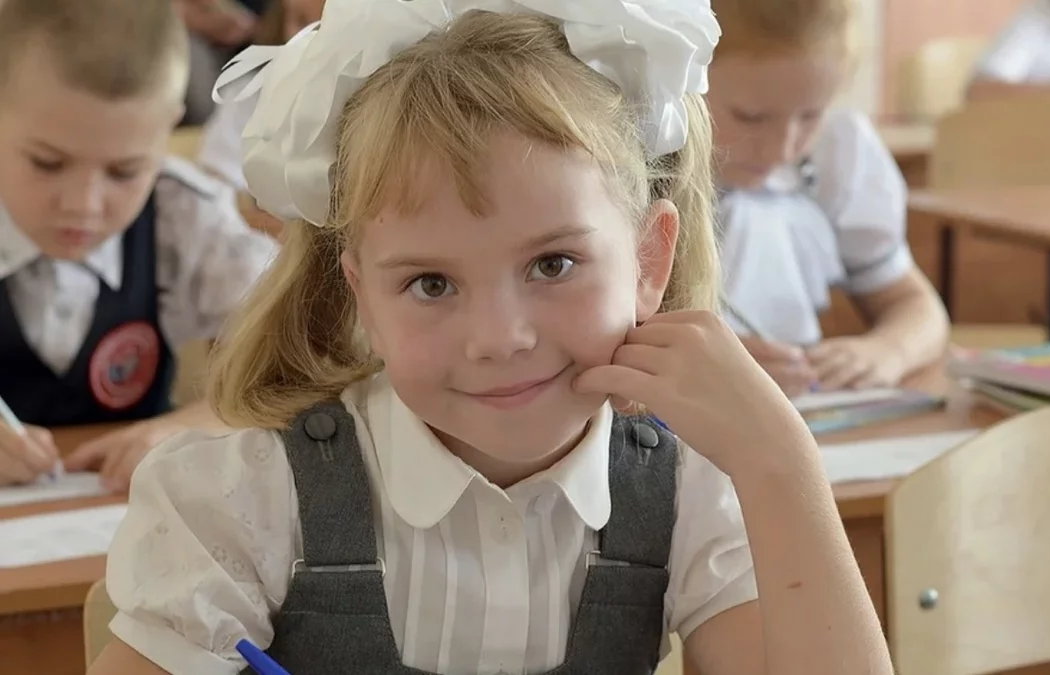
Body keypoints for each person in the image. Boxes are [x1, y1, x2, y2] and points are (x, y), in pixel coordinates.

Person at [88, 1, 892, 674]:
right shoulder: (245, 500)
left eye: (553, 263)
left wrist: (781, 462)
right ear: (363, 294)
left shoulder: (694, 492)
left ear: (649, 259)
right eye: (431, 283)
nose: (499, 338)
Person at [0, 0, 277, 490]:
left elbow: (306, 360)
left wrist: (195, 425)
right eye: (47, 163)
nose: (83, 205)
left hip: (128, 512)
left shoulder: (179, 215)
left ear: (165, 128)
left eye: (124, 171)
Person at [707, 0, 949, 398]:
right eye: (751, 117)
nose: (782, 149)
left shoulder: (835, 158)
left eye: (810, 117)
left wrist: (887, 350)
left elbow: (919, 307)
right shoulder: (634, 164)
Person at [198, 0, 327, 235]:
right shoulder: (250, 96)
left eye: (328, 26)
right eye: (300, 21)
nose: (307, 38)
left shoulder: (379, 112)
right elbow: (215, 193)